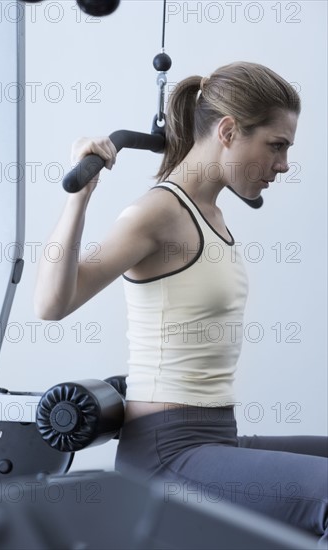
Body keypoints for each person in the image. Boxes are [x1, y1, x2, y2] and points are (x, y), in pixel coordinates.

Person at [34, 61, 328, 545]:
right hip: (166, 455)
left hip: (214, 441)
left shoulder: (212, 212)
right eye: (276, 146)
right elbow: (51, 303)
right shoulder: (158, 213)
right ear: (229, 131)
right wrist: (78, 200)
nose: (283, 165)